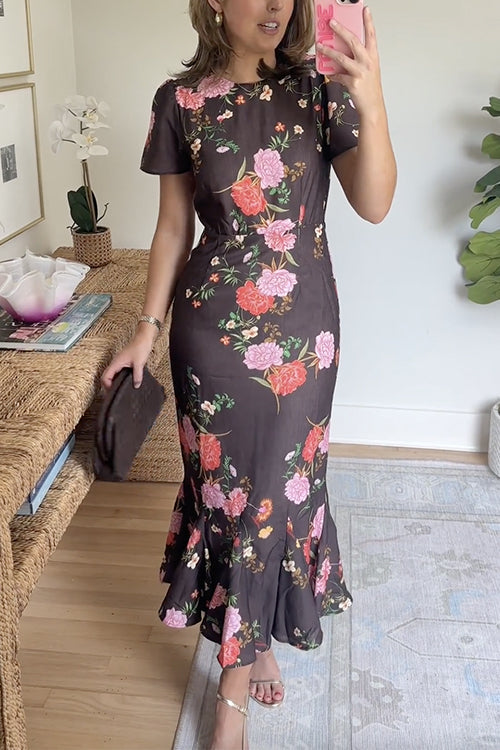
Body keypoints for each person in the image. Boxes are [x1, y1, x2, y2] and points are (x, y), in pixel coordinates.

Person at [102, 1, 396, 747]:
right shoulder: (180, 101)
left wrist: (370, 96)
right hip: (211, 333)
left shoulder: (320, 88)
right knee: (229, 497)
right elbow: (173, 226)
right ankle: (251, 649)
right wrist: (145, 331)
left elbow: (374, 204)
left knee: (280, 492)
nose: (275, 4)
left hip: (304, 335)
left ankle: (231, 684)